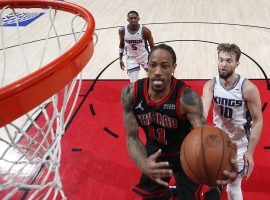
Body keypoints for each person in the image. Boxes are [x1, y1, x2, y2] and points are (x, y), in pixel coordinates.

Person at [121, 44, 237, 200]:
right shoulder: (131, 93)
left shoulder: (186, 97)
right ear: (146, 66)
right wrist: (143, 163)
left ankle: (215, 192)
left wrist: (224, 164)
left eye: (164, 66)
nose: (157, 72)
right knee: (150, 197)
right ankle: (169, 191)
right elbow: (131, 136)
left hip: (185, 154)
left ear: (173, 68)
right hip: (156, 152)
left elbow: (202, 133)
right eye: (153, 65)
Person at [201, 43, 263, 200]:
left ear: (237, 63)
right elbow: (201, 113)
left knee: (233, 188)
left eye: (229, 61)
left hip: (239, 144)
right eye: (221, 60)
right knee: (213, 181)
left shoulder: (248, 88)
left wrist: (250, 152)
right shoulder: (211, 85)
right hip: (218, 142)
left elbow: (257, 121)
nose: (223, 64)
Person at [119, 10, 154, 83]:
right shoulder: (122, 30)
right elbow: (121, 44)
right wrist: (120, 58)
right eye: (131, 18)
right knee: (133, 83)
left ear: (138, 19)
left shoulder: (145, 31)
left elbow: (152, 45)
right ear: (127, 19)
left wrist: (153, 57)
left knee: (153, 78)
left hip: (144, 56)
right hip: (131, 58)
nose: (133, 20)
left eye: (135, 18)